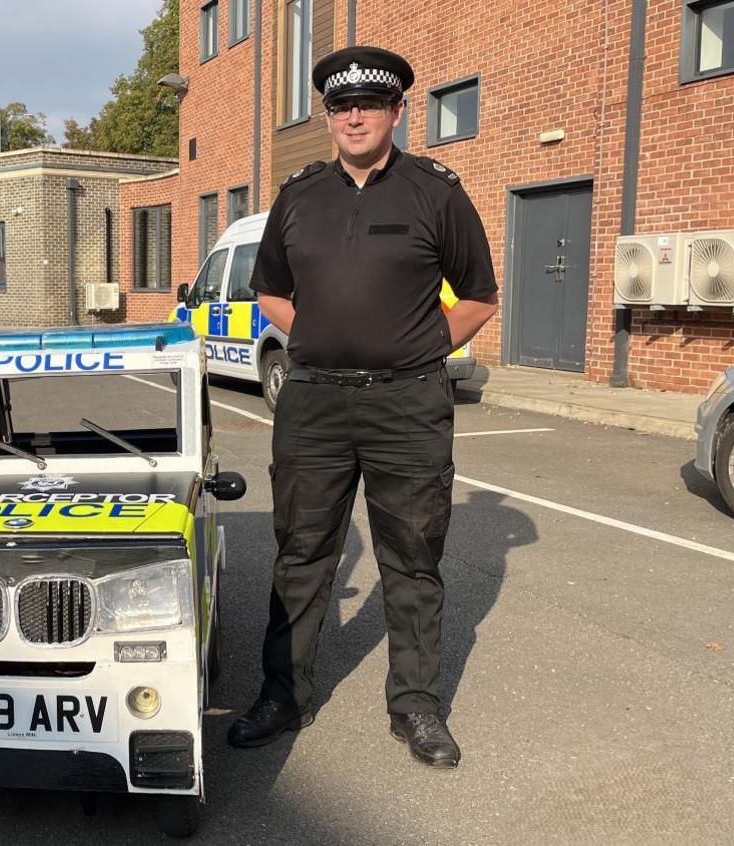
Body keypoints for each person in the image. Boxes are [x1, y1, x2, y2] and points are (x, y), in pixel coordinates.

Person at [226, 46, 499, 768]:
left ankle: (415, 706)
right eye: (342, 107)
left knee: (411, 558)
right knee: (302, 551)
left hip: (406, 406)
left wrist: (420, 348)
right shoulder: (300, 194)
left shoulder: (435, 191)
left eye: (369, 105)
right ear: (328, 116)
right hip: (312, 400)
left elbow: (478, 294)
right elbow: (271, 289)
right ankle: (283, 695)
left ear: (396, 112)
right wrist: (310, 334)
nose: (355, 117)